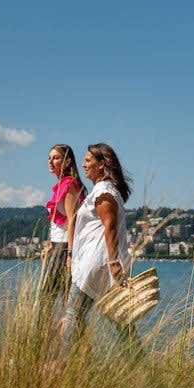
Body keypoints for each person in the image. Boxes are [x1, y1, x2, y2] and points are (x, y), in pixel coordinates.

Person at [59, 142, 136, 355]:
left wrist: (113, 263)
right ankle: (140, 368)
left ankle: (62, 365)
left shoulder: (103, 191)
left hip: (96, 266)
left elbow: (110, 226)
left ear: (101, 164)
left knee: (73, 315)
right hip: (101, 266)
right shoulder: (104, 190)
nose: (83, 165)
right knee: (122, 322)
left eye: (88, 161)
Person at [39, 144, 85, 319]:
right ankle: (71, 336)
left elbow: (72, 219)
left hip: (65, 248)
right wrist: (50, 245)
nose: (50, 162)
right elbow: (59, 222)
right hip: (57, 247)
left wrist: (70, 254)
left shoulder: (69, 185)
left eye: (56, 158)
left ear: (67, 162)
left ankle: (66, 335)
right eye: (49, 158)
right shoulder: (60, 185)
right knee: (55, 300)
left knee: (53, 301)